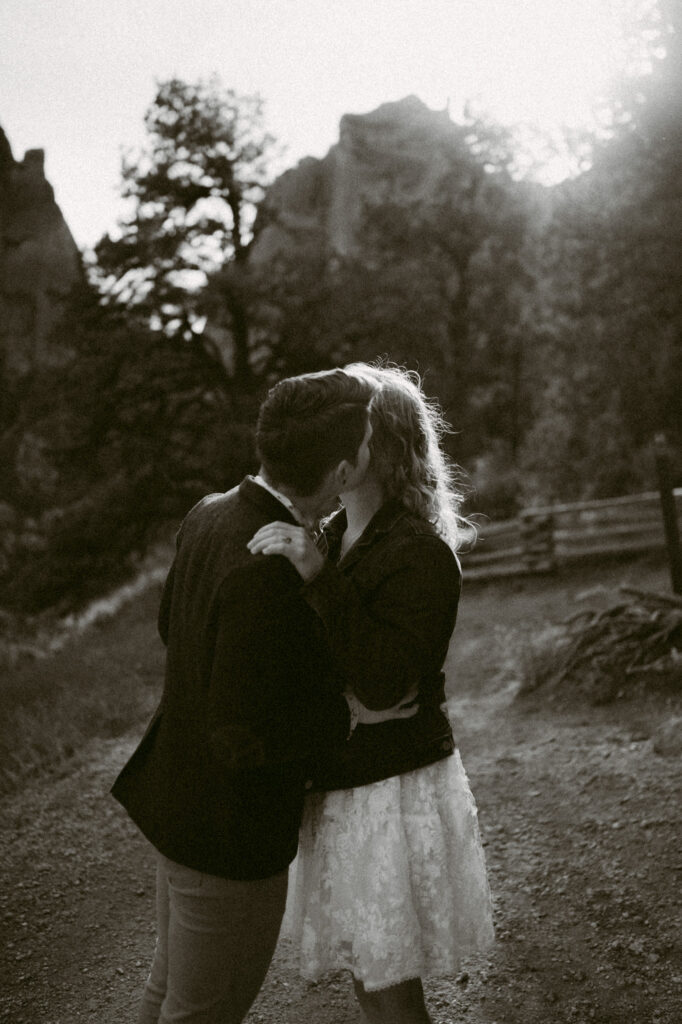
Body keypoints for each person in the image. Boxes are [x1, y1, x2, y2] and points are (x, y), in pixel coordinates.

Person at [111, 368, 418, 1024]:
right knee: (203, 1013)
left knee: (169, 997)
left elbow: (175, 628)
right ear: (341, 473)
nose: (368, 456)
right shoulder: (270, 572)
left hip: (176, 806)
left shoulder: (208, 512)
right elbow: (246, 735)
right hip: (227, 838)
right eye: (364, 445)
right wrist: (354, 714)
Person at [248, 363, 495, 1024]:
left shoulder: (420, 552)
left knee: (390, 991)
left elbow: (384, 680)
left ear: (378, 445)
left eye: (348, 427)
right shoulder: (326, 535)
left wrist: (319, 581)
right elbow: (323, 666)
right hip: (340, 783)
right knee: (370, 978)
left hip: (390, 793)